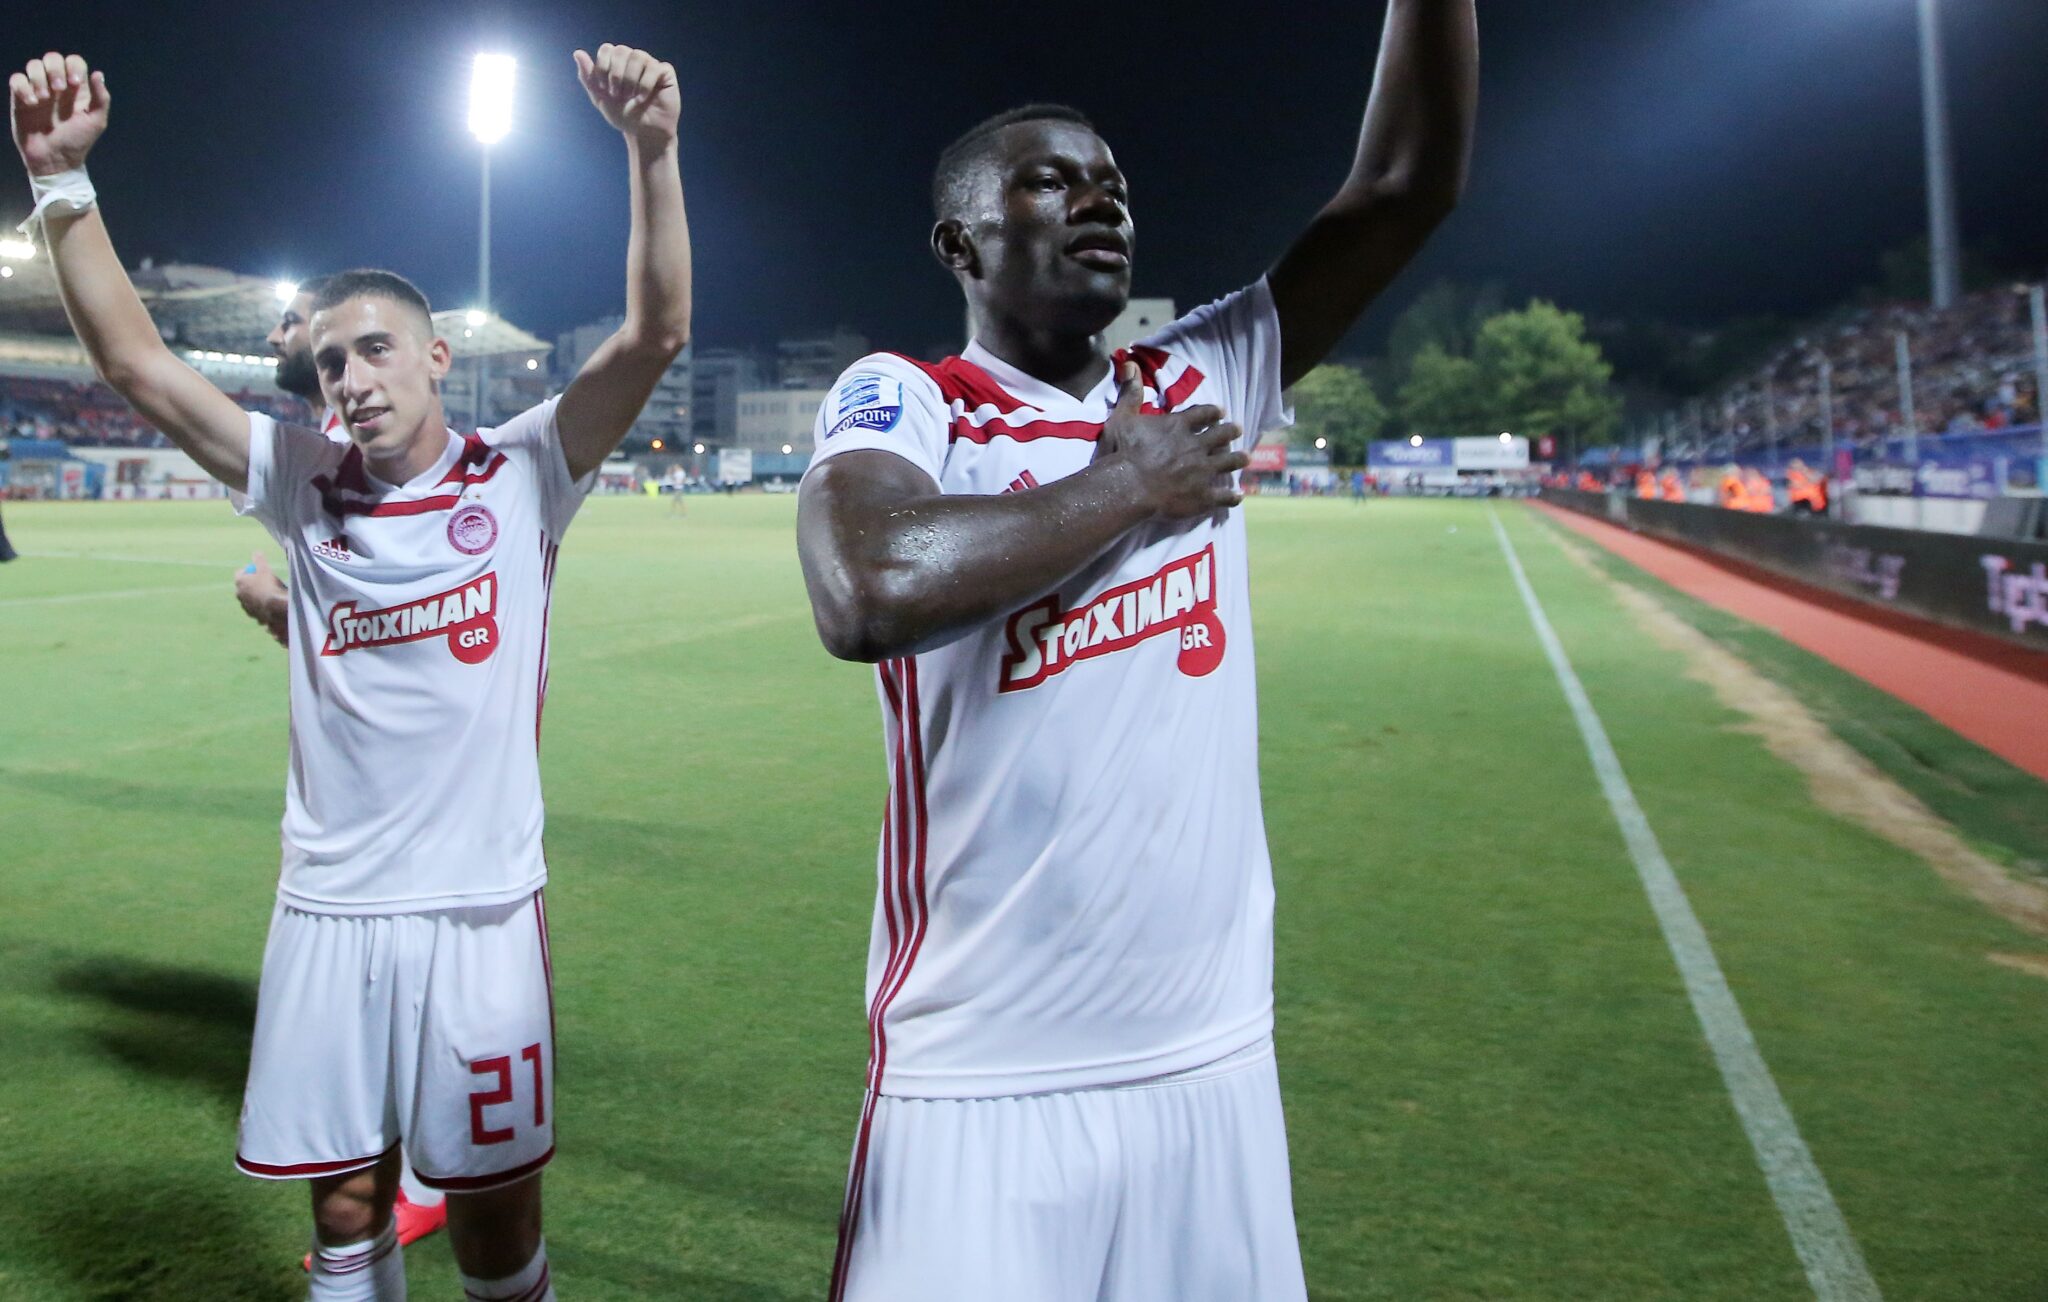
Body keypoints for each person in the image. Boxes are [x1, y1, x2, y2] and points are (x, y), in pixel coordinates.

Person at [794, 4, 1477, 1298]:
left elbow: (1403, 187)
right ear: (958, 242)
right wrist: (1126, 487)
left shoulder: (1196, 377)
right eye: (1049, 181)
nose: (1099, 198)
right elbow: (863, 586)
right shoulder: (914, 399)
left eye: (1110, 181)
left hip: (1210, 1059)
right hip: (982, 1076)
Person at [11, 44, 690, 1301]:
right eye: (329, 363)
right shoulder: (299, 480)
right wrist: (62, 182)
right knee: (342, 1206)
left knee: (494, 1221)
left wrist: (651, 150)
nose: (352, 380)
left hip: (480, 909)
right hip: (327, 905)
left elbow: (655, 332)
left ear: (437, 358)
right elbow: (138, 368)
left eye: (376, 350)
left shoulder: (524, 471)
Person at [227, 278, 454, 1265]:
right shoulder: (321, 445)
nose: (281, 339)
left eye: (296, 327)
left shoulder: (377, 444)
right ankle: (413, 1180)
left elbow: (401, 629)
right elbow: (355, 631)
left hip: (429, 804)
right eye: (322, 355)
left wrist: (280, 606)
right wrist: (298, 614)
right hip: (357, 798)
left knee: (427, 1012)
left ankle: (430, 1181)